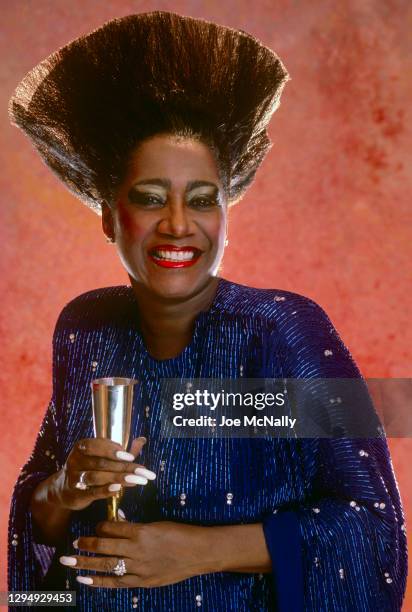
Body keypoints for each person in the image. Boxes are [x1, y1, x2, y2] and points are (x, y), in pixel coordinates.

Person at [7, 10, 407, 612]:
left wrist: (197, 551)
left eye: (202, 200)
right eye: (148, 199)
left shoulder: (281, 332)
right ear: (110, 216)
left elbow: (376, 534)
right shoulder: (85, 329)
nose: (177, 224)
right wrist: (63, 490)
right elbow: (40, 535)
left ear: (225, 219)